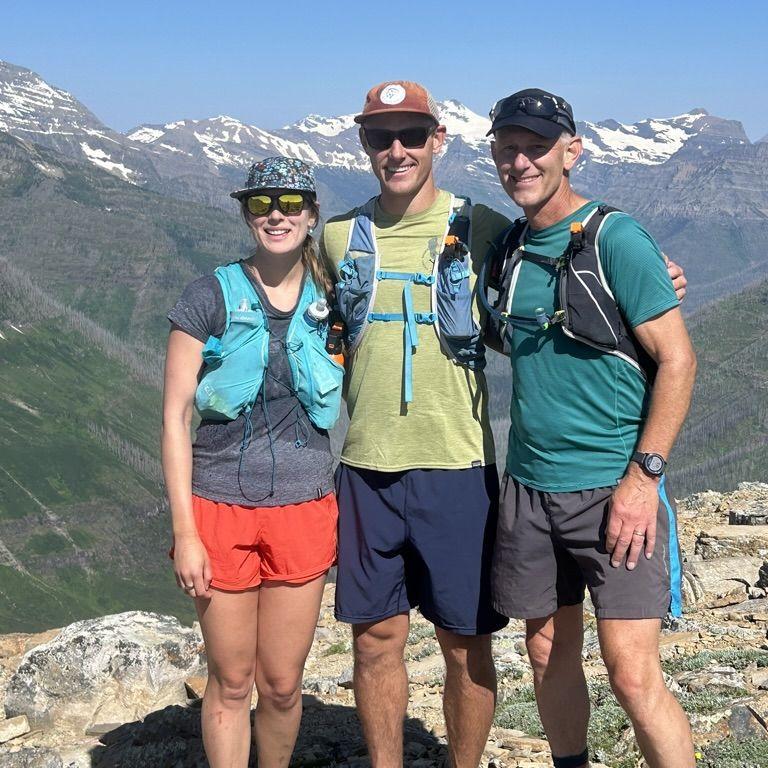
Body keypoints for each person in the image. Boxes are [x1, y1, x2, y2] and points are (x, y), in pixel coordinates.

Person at [323, 81, 687, 768]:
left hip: (525, 477)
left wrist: (646, 472)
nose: (394, 149)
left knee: (600, 667)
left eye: (410, 134)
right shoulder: (356, 236)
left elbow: (668, 349)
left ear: (439, 140)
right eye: (379, 136)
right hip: (456, 477)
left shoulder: (494, 228)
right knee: (525, 647)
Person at [484, 89, 697, 768]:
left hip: (614, 489)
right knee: (546, 650)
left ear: (571, 152)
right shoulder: (511, 247)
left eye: (536, 147)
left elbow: (678, 360)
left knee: (632, 674)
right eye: (508, 148)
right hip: (530, 486)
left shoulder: (616, 237)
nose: (521, 161)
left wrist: (644, 477)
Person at [162, 156, 343, 768]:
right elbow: (174, 417)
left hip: (304, 508)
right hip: (219, 509)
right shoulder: (208, 295)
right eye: (262, 204)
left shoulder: (336, 299)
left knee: (283, 685)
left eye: (291, 204)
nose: (276, 216)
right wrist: (185, 533)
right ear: (246, 214)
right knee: (232, 681)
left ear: (312, 216)